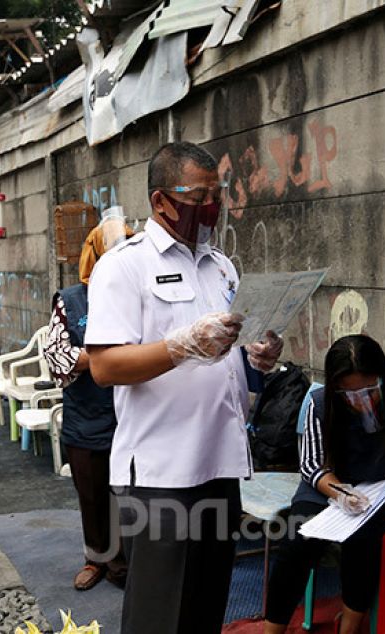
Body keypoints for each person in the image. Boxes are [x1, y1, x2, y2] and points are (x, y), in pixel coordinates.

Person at [85, 141, 284, 634]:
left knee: (204, 605)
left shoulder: (220, 266)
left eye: (216, 194)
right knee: (159, 614)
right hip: (161, 472)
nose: (211, 206)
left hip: (219, 463)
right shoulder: (123, 266)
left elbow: (231, 360)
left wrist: (257, 359)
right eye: (199, 195)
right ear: (160, 201)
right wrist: (180, 346)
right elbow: (105, 366)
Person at [262, 335, 385, 634]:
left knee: (363, 540)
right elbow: (311, 464)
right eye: (349, 393)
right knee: (296, 542)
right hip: (329, 488)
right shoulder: (320, 403)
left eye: (370, 389)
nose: (362, 400)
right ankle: (272, 630)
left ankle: (350, 625)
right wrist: (340, 492)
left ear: (383, 375)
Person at [42, 211, 134, 591]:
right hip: (88, 418)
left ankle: (132, 564)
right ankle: (97, 560)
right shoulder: (72, 300)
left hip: (134, 418)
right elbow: (57, 355)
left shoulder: (138, 294)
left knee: (133, 498)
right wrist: (109, 358)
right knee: (94, 496)